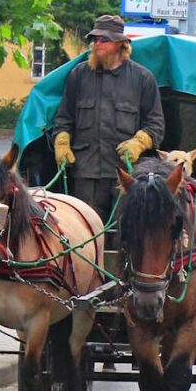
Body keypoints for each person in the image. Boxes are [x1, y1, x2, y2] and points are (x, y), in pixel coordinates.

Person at [52, 14, 165, 232]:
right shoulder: (79, 75)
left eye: (104, 39)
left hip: (126, 176)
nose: (97, 43)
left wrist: (139, 143)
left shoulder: (143, 79)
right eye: (95, 39)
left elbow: (156, 124)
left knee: (124, 233)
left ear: (121, 44)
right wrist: (62, 141)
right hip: (86, 173)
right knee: (84, 234)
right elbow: (64, 118)